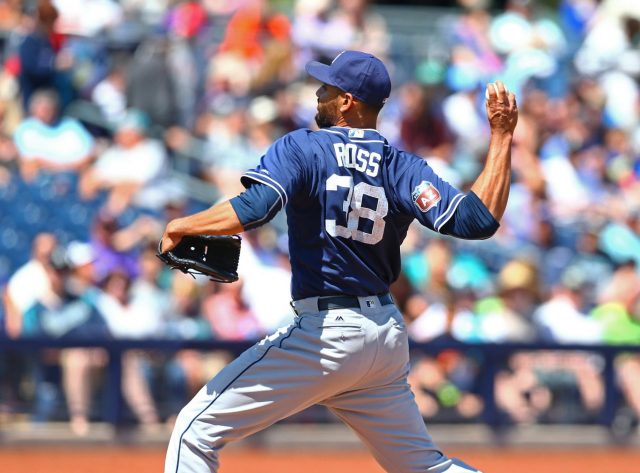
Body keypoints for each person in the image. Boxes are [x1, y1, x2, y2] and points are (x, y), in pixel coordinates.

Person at [160, 50, 518, 473]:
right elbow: (477, 220)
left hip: (328, 335)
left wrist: (185, 224)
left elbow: (257, 207)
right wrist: (502, 137)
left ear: (346, 101)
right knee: (424, 467)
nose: (318, 93)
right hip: (382, 336)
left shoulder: (303, 147)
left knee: (193, 432)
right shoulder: (401, 166)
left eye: (327, 88)